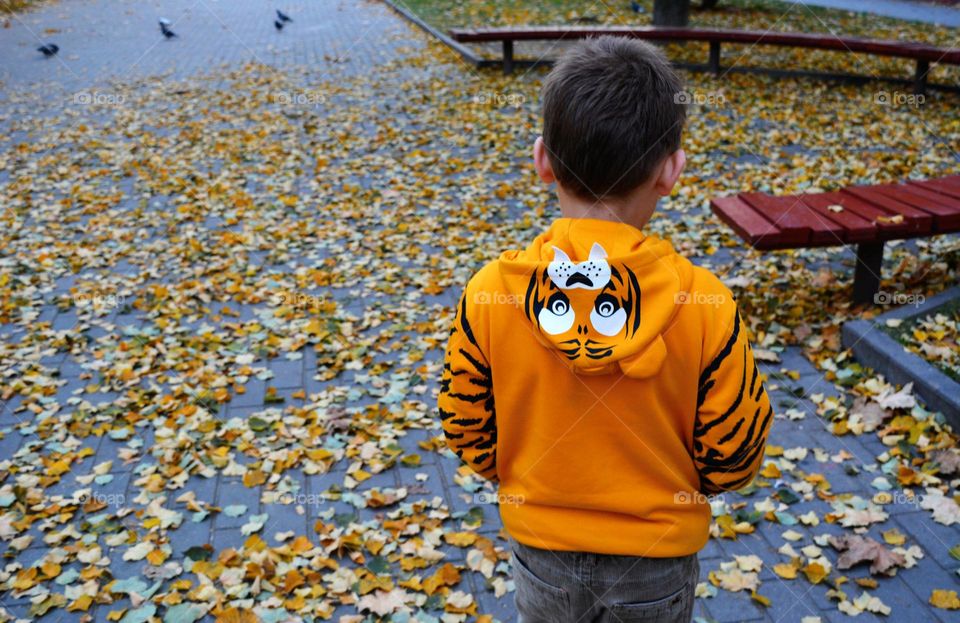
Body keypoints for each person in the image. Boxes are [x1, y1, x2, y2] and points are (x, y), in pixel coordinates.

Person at [438, 36, 773, 623]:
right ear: (671, 171)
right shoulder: (706, 303)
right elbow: (735, 453)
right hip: (656, 559)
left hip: (541, 550)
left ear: (542, 160)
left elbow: (465, 421)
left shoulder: (491, 292)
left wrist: (517, 472)